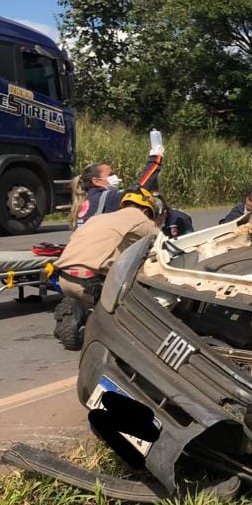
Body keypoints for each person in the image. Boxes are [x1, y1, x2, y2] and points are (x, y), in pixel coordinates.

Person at [52, 187, 161, 349]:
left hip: (63, 277)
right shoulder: (144, 222)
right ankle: (94, 320)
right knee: (132, 296)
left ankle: (78, 310)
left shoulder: (98, 218)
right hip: (91, 282)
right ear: (146, 209)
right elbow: (162, 247)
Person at [70, 130, 164, 229]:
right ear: (96, 181)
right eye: (110, 174)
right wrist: (156, 157)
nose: (115, 177)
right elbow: (139, 189)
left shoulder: (86, 201)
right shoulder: (106, 198)